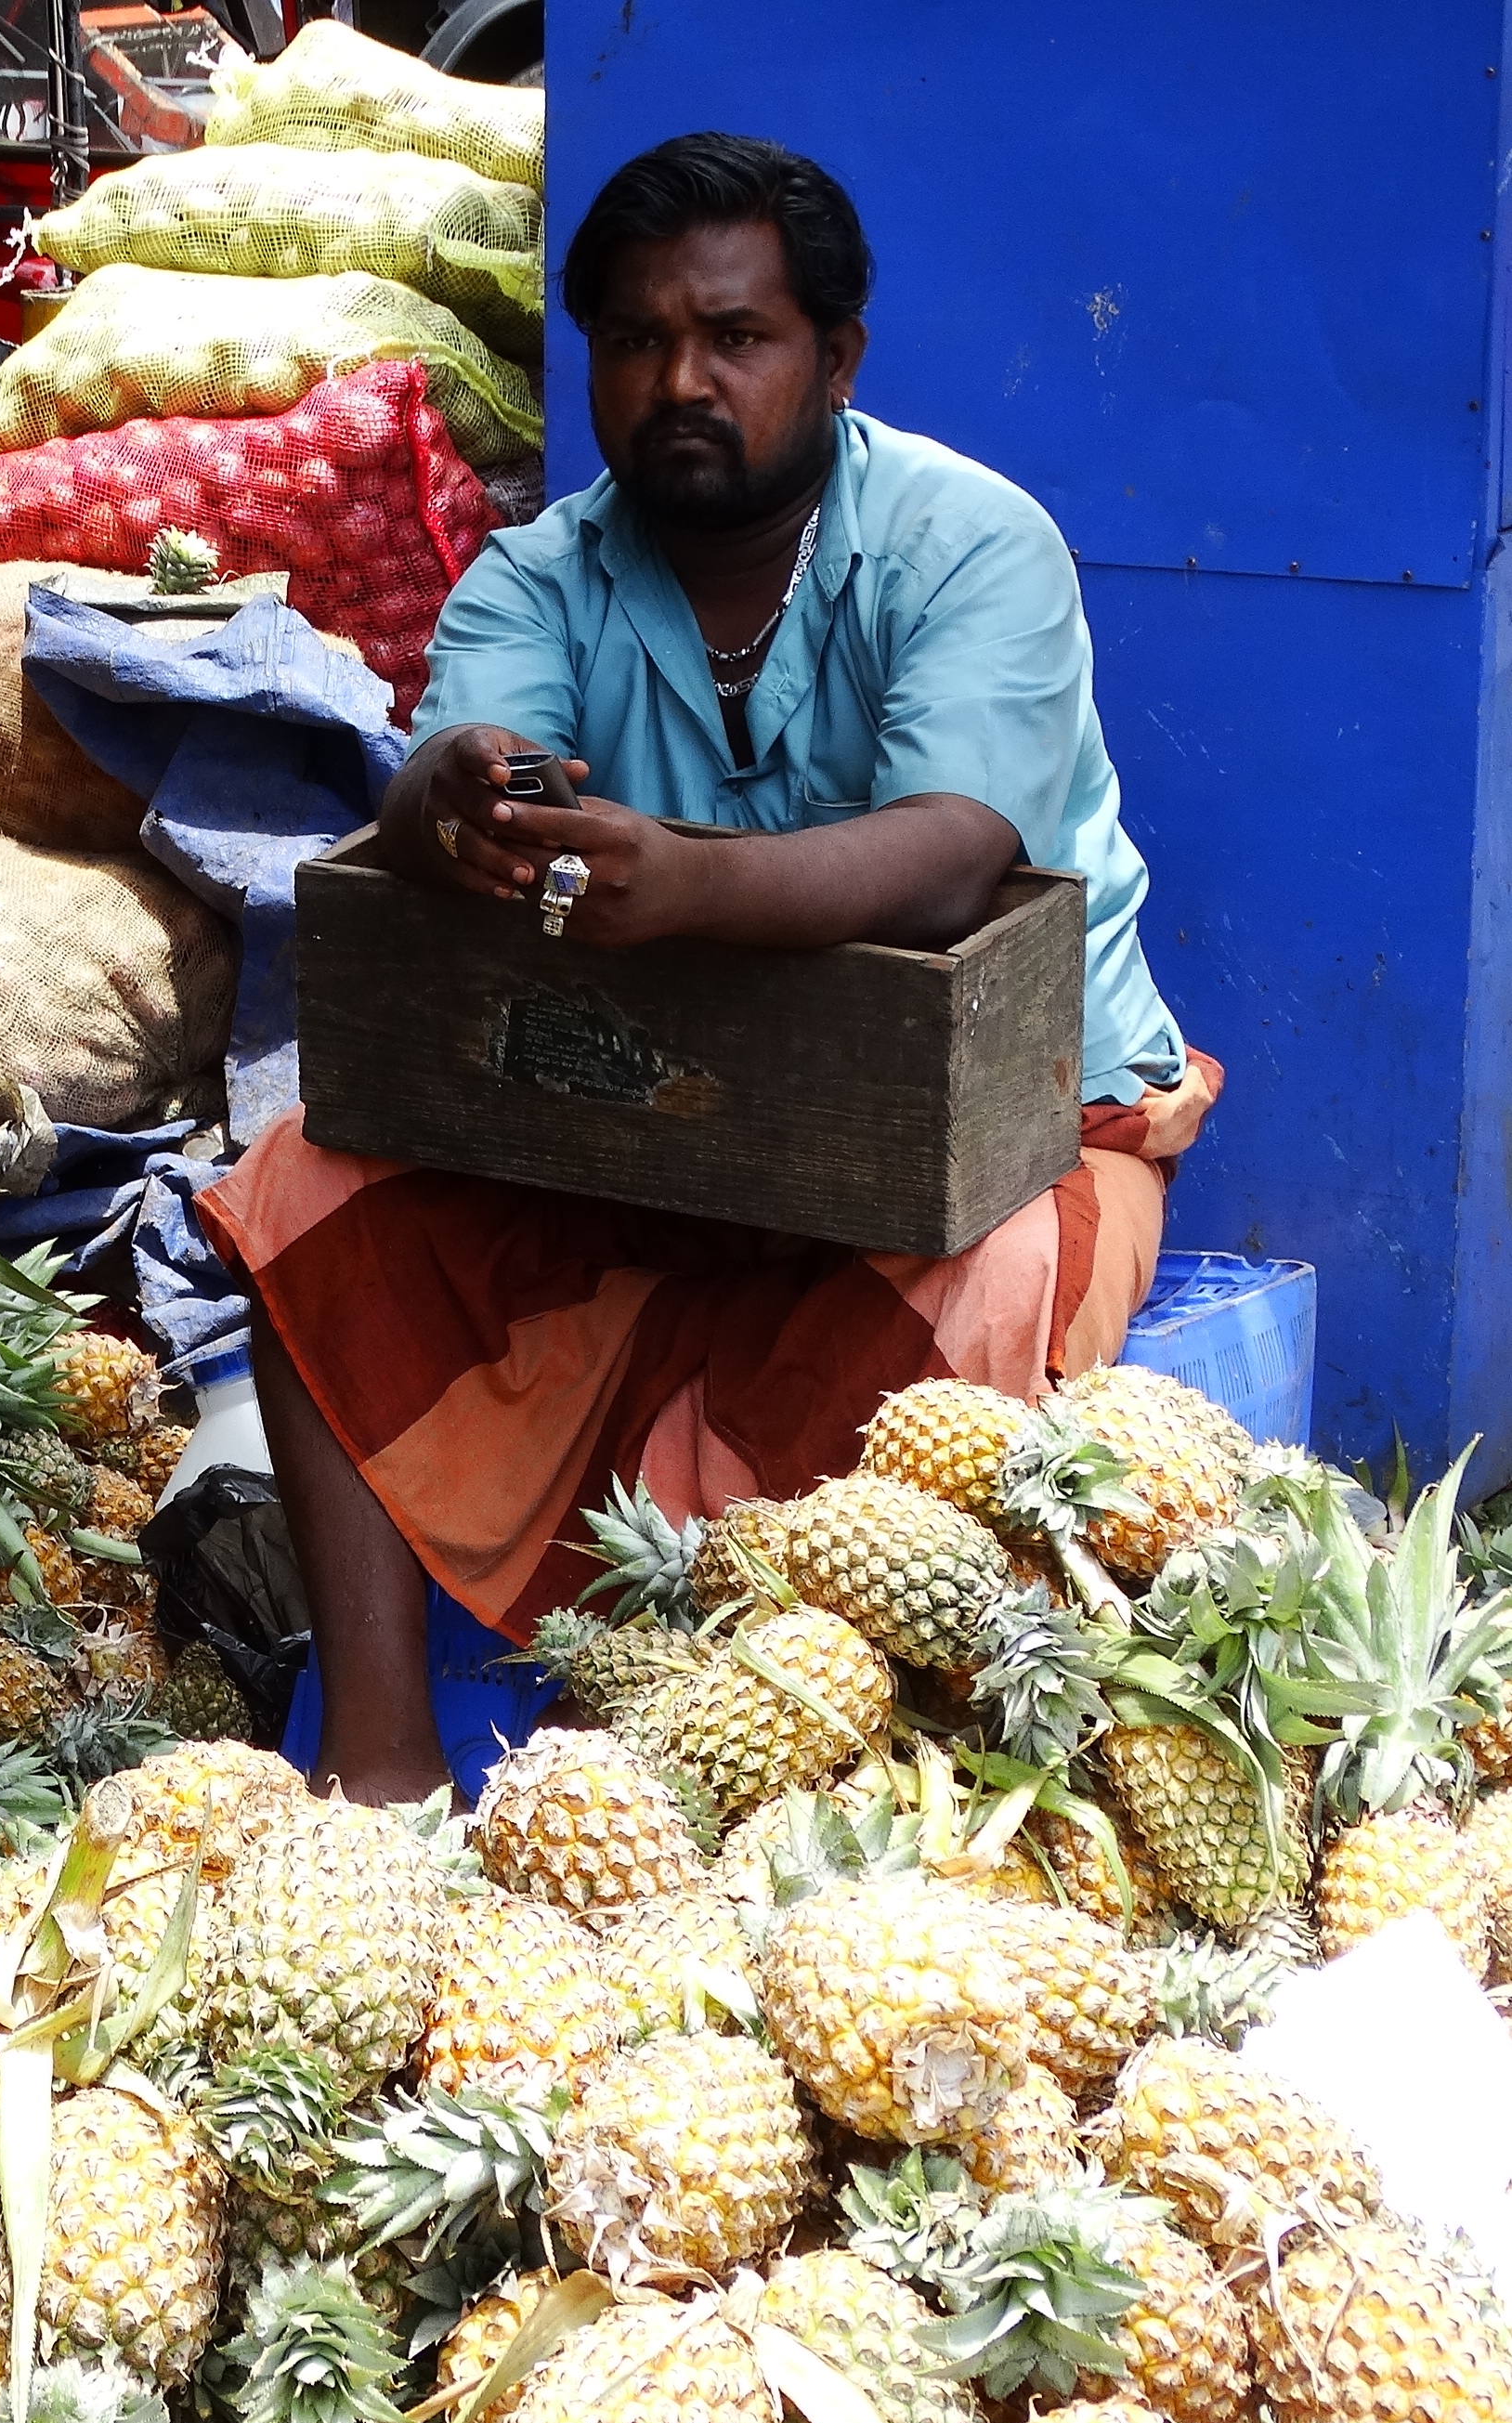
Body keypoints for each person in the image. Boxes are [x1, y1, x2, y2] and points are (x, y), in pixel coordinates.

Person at [200, 132, 1218, 1804]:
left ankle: (714, 1783)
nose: (681, 379)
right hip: (659, 1127)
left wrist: (689, 888)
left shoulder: (969, 543)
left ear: (834, 357)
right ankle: (377, 1775)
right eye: (634, 341)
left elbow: (962, 843)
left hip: (1015, 1118)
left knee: (973, 1295)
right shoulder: (544, 568)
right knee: (304, 1191)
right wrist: (454, 793)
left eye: (734, 338)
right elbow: (472, 742)